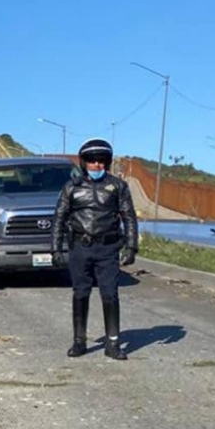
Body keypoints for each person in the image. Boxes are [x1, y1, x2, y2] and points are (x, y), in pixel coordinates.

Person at [52, 138, 138, 360]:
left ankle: (113, 343)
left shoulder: (118, 186)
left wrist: (131, 246)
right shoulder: (72, 187)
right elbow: (59, 218)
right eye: (92, 161)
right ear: (84, 163)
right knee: (81, 293)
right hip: (80, 247)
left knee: (110, 294)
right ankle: (79, 341)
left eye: (101, 161)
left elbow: (128, 217)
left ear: (107, 163)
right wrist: (55, 249)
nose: (97, 165)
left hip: (108, 248)